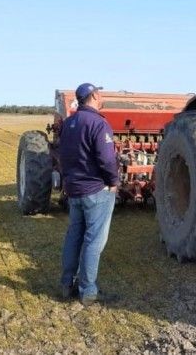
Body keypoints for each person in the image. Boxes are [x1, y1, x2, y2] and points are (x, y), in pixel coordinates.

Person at [59, 82, 119, 305]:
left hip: (74, 190)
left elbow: (62, 155)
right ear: (93, 95)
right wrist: (113, 181)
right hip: (96, 191)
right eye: (99, 92)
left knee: (74, 236)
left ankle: (66, 284)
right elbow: (106, 159)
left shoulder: (68, 123)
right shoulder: (98, 123)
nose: (101, 95)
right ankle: (88, 292)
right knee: (94, 241)